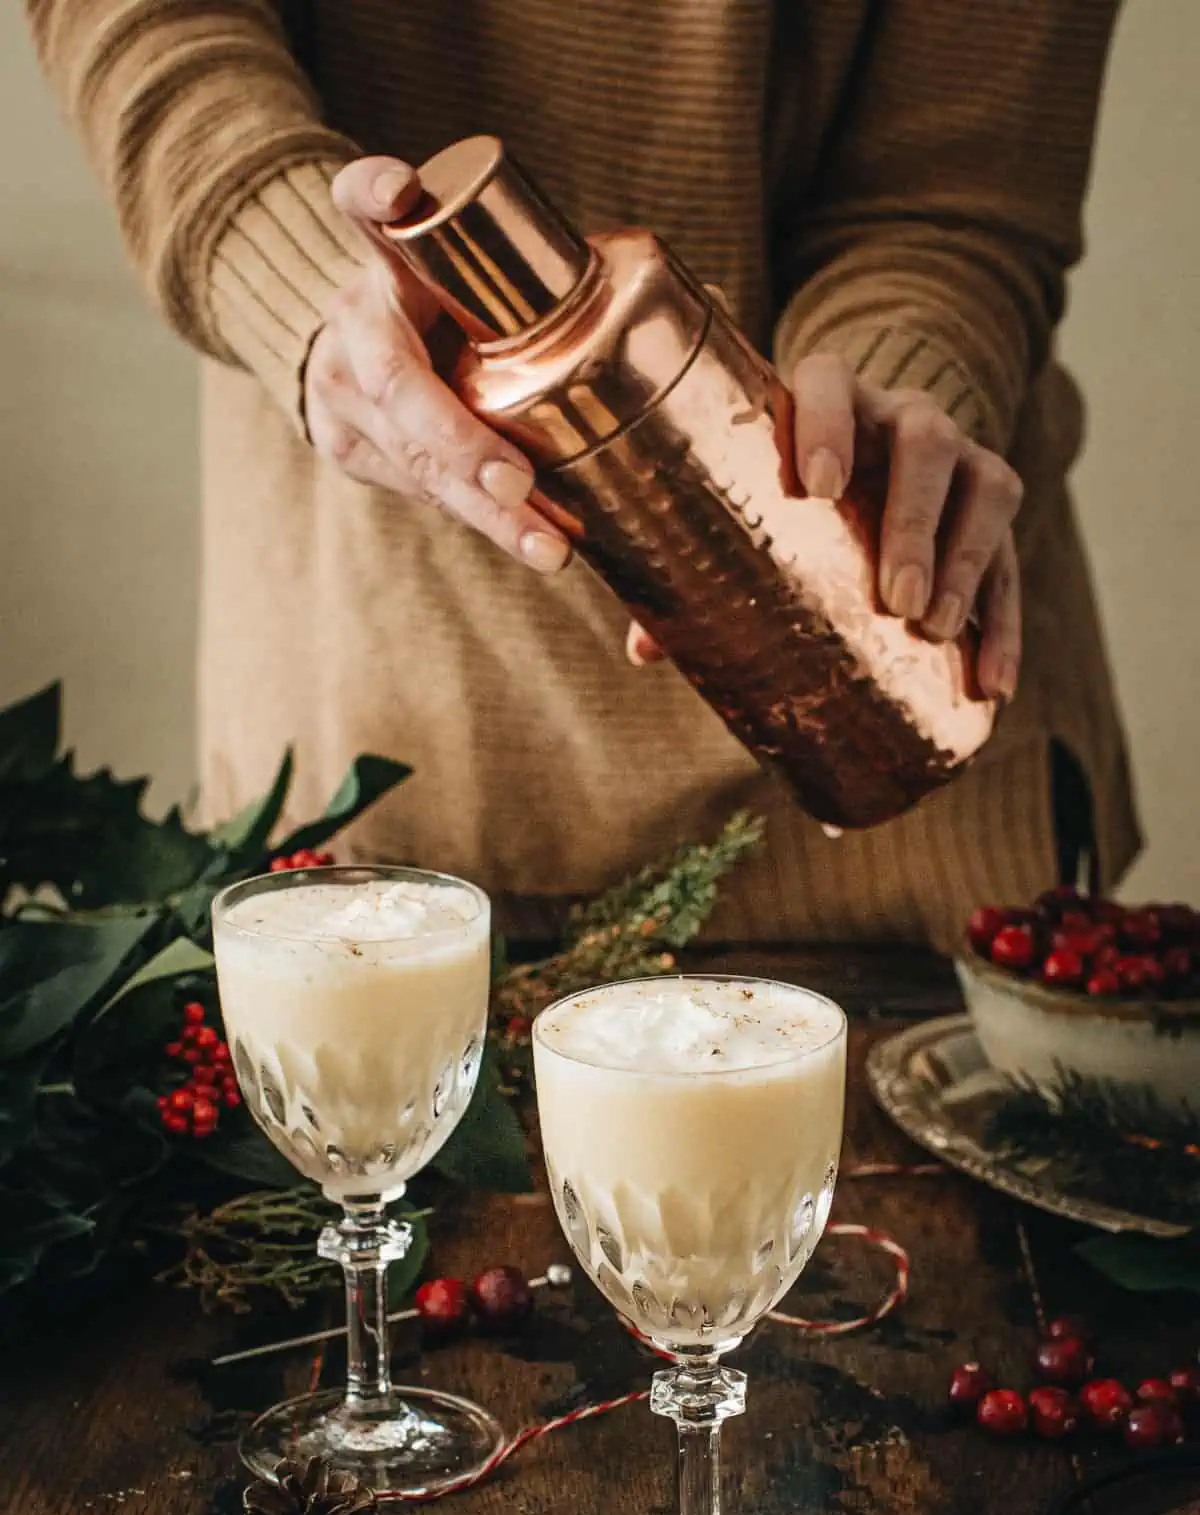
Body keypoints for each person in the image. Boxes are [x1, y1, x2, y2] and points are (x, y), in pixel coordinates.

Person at [26, 0, 1139, 948]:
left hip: (903, 801)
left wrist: (885, 409)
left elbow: (953, 192)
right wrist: (309, 278)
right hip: (395, 730)